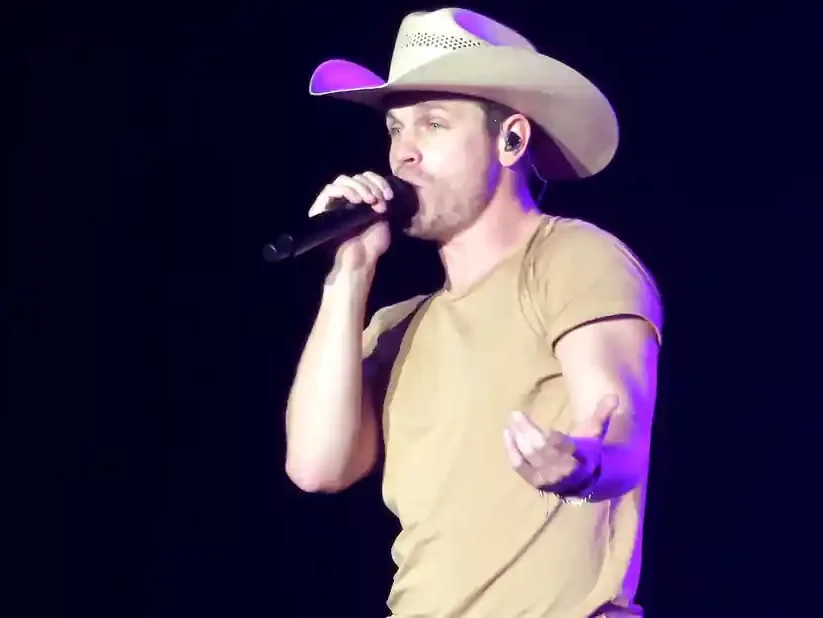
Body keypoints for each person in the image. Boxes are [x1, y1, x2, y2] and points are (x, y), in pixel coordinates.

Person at [283, 8, 663, 617]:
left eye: (433, 124)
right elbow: (316, 466)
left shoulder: (571, 257)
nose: (403, 154)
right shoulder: (398, 327)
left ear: (510, 140)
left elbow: (617, 431)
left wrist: (582, 464)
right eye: (395, 129)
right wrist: (348, 274)